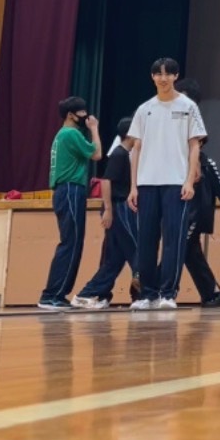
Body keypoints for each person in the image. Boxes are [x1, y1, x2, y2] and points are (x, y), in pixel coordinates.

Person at [124, 57, 206, 311]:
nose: (163, 78)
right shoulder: (144, 109)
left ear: (175, 76)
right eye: (158, 74)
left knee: (174, 239)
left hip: (176, 183)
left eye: (168, 74)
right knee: (146, 240)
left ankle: (168, 293)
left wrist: (189, 180)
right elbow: (136, 148)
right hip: (147, 183)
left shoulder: (188, 106)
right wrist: (133, 186)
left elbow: (195, 145)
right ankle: (147, 294)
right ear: (152, 77)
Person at [178, 79, 220, 307]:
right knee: (191, 254)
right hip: (181, 211)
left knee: (180, 249)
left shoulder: (205, 163)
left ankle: (155, 288)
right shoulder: (178, 158)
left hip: (195, 213)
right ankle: (213, 293)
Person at [38, 96, 102, 310]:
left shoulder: (62, 134)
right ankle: (52, 295)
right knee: (71, 243)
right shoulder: (71, 134)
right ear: (70, 115)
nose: (86, 116)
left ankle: (57, 294)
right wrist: (94, 129)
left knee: (71, 242)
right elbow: (97, 154)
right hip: (71, 190)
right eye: (82, 112)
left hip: (64, 191)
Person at [73, 117, 138, 309]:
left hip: (120, 207)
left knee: (114, 259)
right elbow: (106, 181)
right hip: (118, 207)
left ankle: (90, 293)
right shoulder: (119, 154)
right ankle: (146, 291)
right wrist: (108, 209)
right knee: (135, 248)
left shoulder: (127, 154)